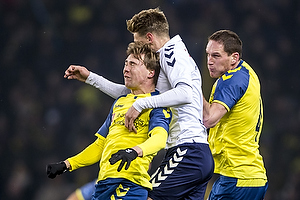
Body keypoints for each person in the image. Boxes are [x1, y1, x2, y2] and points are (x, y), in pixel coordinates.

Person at [64, 7, 214, 200]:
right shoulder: (172, 56)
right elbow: (132, 94)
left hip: (187, 151)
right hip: (196, 152)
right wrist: (90, 78)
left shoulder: (171, 54)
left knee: (145, 196)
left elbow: (185, 93)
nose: (138, 48)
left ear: (150, 38)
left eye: (138, 42)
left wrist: (141, 106)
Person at [46, 42, 172, 200]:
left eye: (132, 64)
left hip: (129, 185)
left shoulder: (157, 103)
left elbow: (160, 139)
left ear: (150, 72)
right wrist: (67, 164)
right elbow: (100, 145)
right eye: (125, 64)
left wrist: (134, 151)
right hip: (103, 185)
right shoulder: (120, 102)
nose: (126, 69)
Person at [203, 30, 268, 200]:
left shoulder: (232, 79)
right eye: (208, 55)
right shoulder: (246, 72)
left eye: (216, 56)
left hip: (237, 177)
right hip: (252, 177)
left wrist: (190, 85)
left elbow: (209, 119)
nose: (209, 61)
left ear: (234, 57)